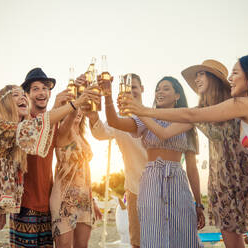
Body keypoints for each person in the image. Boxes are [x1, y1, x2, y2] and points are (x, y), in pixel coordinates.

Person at [122, 54, 248, 247]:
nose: (198, 79)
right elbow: (168, 130)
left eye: (202, 74)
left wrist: (142, 110)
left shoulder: (241, 104)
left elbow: (190, 114)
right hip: (227, 182)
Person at [0, 84, 96, 248]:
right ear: (5, 104)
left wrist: (1, 208)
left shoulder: (19, 138)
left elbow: (1, 177)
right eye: (15, 95)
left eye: (23, 95)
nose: (22, 97)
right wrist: (75, 103)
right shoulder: (2, 128)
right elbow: (39, 126)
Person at [106, 76, 204, 247]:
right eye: (158, 89)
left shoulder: (186, 119)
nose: (159, 92)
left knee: (184, 234)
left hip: (177, 182)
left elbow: (192, 167)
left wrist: (199, 203)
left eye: (166, 88)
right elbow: (115, 121)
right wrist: (107, 95)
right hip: (151, 180)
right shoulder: (143, 119)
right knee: (153, 234)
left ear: (177, 96)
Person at [182, 60, 248, 248]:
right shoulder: (200, 112)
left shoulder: (237, 103)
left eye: (201, 74)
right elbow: (173, 124)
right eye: (195, 75)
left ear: (214, 78)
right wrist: (143, 113)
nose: (197, 79)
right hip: (222, 183)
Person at [9, 67, 72, 247]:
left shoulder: (53, 122)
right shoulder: (23, 120)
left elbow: (60, 135)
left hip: (47, 205)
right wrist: (57, 107)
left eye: (45, 88)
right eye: (35, 88)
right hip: (24, 205)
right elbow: (40, 127)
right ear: (27, 95)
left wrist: (77, 100)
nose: (41, 92)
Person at [85, 73, 147, 248]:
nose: (130, 91)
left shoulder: (153, 114)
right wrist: (93, 116)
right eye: (126, 88)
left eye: (134, 87)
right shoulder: (118, 119)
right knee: (137, 241)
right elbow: (100, 133)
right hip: (135, 189)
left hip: (160, 188)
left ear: (142, 88)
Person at [50, 107, 102, 248]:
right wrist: (75, 103)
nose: (78, 111)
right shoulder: (62, 132)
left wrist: (93, 201)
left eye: (81, 108)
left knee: (82, 245)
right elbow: (71, 113)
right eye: (75, 107)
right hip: (64, 199)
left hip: (84, 200)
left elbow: (84, 174)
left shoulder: (82, 136)